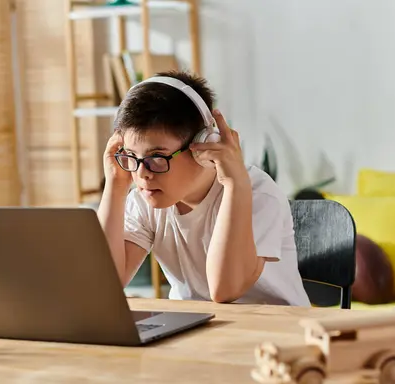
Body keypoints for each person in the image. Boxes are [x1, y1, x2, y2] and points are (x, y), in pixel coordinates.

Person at [96, 70, 310, 306]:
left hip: (273, 332)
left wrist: (235, 184)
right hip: (197, 331)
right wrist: (115, 186)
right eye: (130, 156)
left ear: (205, 143)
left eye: (157, 157)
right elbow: (105, 283)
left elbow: (224, 290)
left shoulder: (258, 194)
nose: (141, 172)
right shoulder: (144, 200)